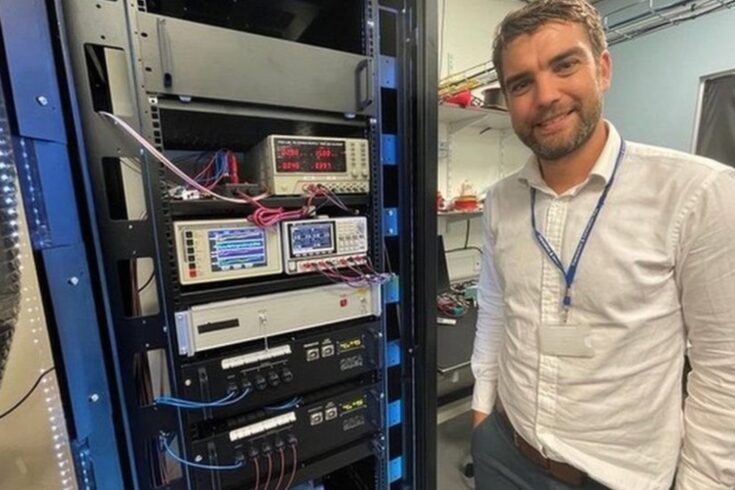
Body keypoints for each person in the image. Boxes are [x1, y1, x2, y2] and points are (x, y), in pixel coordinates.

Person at [470, 1, 735, 489]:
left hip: (619, 477)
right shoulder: (501, 201)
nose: (545, 96)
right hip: (505, 454)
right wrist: (482, 409)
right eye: (521, 83)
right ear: (508, 100)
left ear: (604, 68)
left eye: (564, 65)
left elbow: (724, 369)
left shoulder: (698, 194)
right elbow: (493, 309)